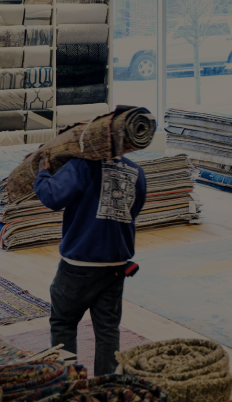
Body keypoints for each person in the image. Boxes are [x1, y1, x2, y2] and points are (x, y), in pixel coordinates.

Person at [34, 150, 148, 377]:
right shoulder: (136, 171)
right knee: (107, 329)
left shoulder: (82, 165)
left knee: (64, 323)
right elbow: (134, 210)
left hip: (79, 264)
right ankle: (107, 386)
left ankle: (67, 382)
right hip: (116, 265)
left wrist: (43, 174)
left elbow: (52, 197)